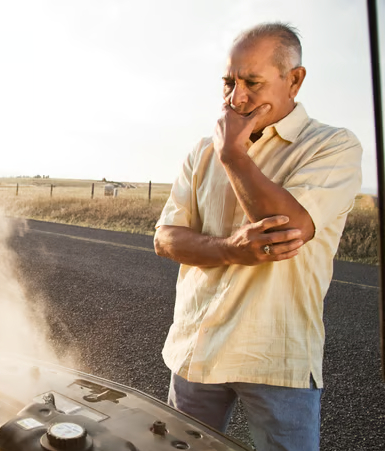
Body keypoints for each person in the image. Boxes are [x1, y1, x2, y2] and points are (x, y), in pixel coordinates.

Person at [153, 22, 362, 451]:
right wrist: (229, 249)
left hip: (274, 358)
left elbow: (286, 230)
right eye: (229, 82)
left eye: (252, 82)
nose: (236, 97)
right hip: (196, 350)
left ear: (295, 80)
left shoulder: (332, 146)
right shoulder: (201, 151)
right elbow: (166, 238)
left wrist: (234, 153)